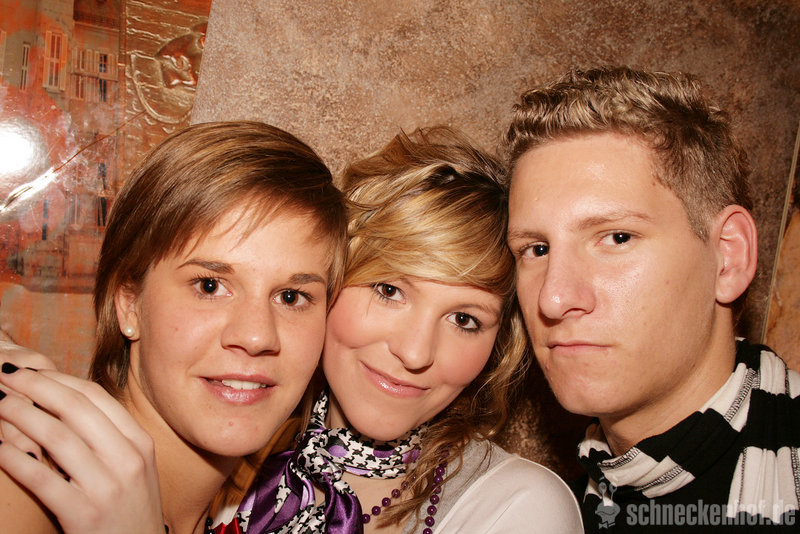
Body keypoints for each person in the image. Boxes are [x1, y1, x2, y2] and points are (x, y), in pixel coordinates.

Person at [215, 127, 583, 533]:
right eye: (389, 291)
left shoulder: (517, 510)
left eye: (464, 320)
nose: (414, 352)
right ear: (330, 280)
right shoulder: (229, 438)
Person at [0, 121, 347, 534]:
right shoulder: (27, 485)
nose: (257, 336)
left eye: (291, 297)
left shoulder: (266, 510)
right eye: (209, 286)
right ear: (129, 303)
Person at [503, 66, 800, 532]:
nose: (553, 299)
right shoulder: (557, 510)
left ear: (728, 258)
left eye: (617, 238)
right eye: (536, 249)